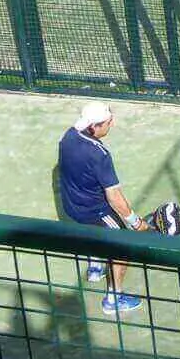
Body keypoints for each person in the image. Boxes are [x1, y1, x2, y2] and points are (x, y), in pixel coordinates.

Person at [57, 101, 149, 317]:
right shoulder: (99, 154)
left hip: (71, 206)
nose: (112, 124)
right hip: (94, 211)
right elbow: (114, 197)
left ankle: (95, 267)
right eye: (109, 122)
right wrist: (136, 223)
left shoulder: (68, 136)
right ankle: (113, 299)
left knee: (94, 233)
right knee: (122, 245)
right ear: (95, 126)